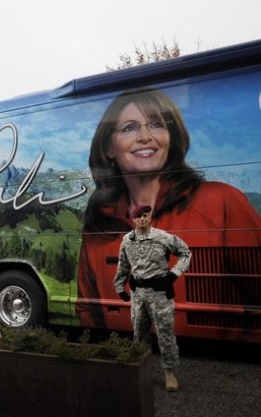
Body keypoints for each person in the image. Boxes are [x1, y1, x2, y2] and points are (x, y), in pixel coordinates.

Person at [77, 87, 261, 329]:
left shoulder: (221, 201)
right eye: (129, 127)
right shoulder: (99, 227)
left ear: (170, 137)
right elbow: (88, 312)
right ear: (109, 147)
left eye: (156, 124)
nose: (145, 136)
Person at [114, 204, 190, 392]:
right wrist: (119, 286)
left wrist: (174, 274)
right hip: (138, 296)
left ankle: (170, 373)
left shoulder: (163, 238)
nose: (142, 220)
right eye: (138, 217)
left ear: (150, 217)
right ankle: (143, 372)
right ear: (133, 219)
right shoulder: (127, 240)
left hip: (160, 295)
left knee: (165, 335)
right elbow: (123, 265)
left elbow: (185, 253)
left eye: (145, 216)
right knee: (139, 335)